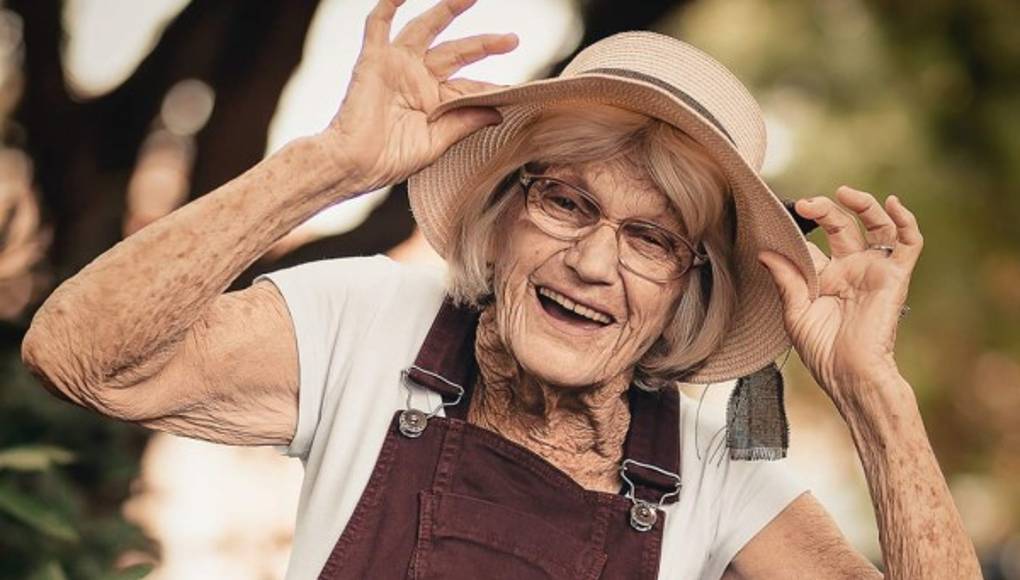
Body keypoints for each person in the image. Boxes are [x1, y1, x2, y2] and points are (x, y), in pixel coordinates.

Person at [22, 0, 981, 578]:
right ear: (505, 210)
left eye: (651, 238)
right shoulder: (369, 322)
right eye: (568, 202)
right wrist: (328, 165)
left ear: (687, 288)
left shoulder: (719, 468)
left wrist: (873, 393)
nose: (594, 262)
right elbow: (75, 356)